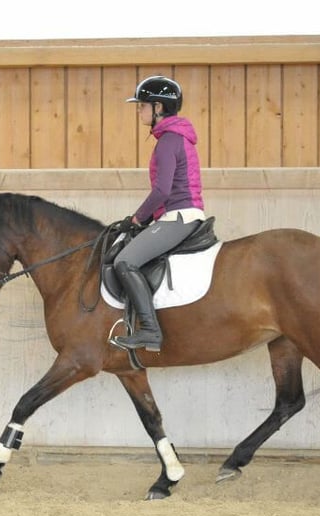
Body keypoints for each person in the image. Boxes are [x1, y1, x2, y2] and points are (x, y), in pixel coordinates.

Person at [111, 75, 206, 353]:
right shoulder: (175, 138)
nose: (138, 111)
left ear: (158, 108)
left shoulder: (168, 141)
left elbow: (162, 191)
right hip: (177, 214)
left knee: (125, 261)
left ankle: (150, 331)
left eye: (142, 106)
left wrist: (137, 218)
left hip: (179, 216)